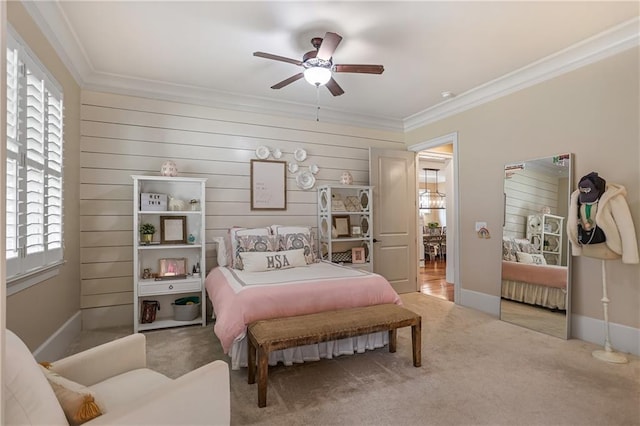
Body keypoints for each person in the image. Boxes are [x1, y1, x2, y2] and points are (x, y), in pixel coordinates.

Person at [567, 172, 638, 264]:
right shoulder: (577, 199)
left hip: (608, 250)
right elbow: (573, 225)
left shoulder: (614, 198)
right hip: (587, 247)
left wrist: (630, 256)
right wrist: (576, 247)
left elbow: (626, 227)